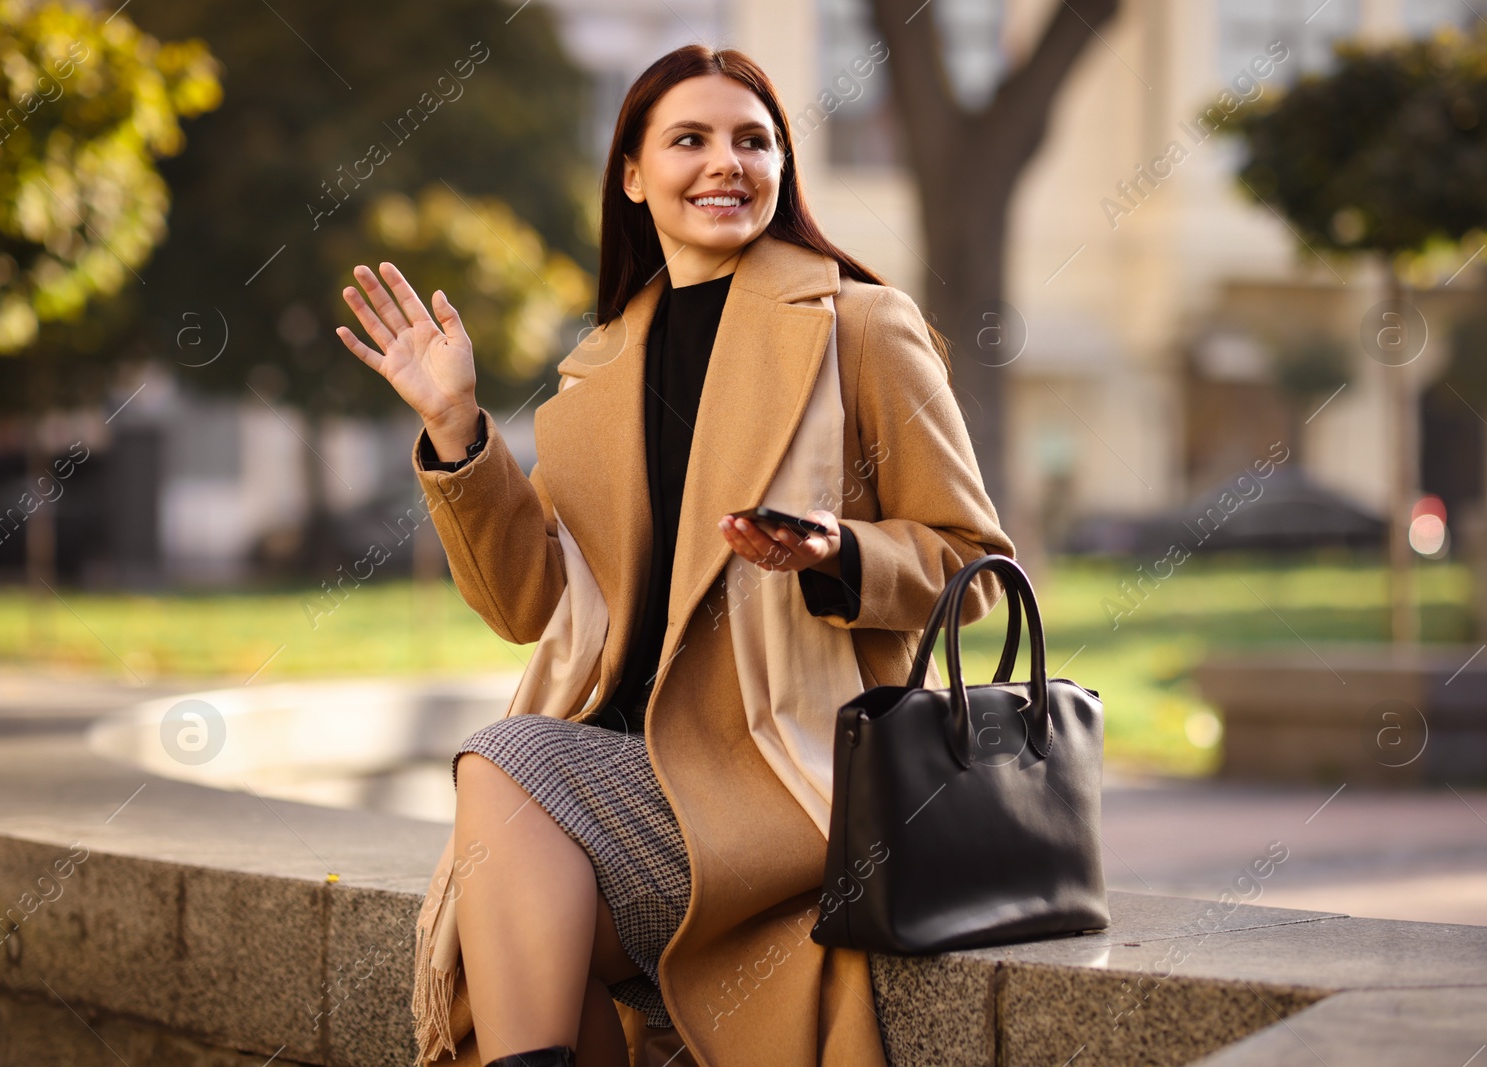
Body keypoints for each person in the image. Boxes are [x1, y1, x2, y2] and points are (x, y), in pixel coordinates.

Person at [335, 43, 1013, 1067]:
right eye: (688, 139)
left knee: (506, 758)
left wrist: (838, 552)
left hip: (783, 778)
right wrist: (459, 429)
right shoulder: (599, 369)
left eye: (753, 140)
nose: (724, 163)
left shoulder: (863, 326)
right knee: (524, 941)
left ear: (785, 166)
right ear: (632, 174)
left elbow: (970, 566)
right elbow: (528, 601)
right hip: (629, 779)